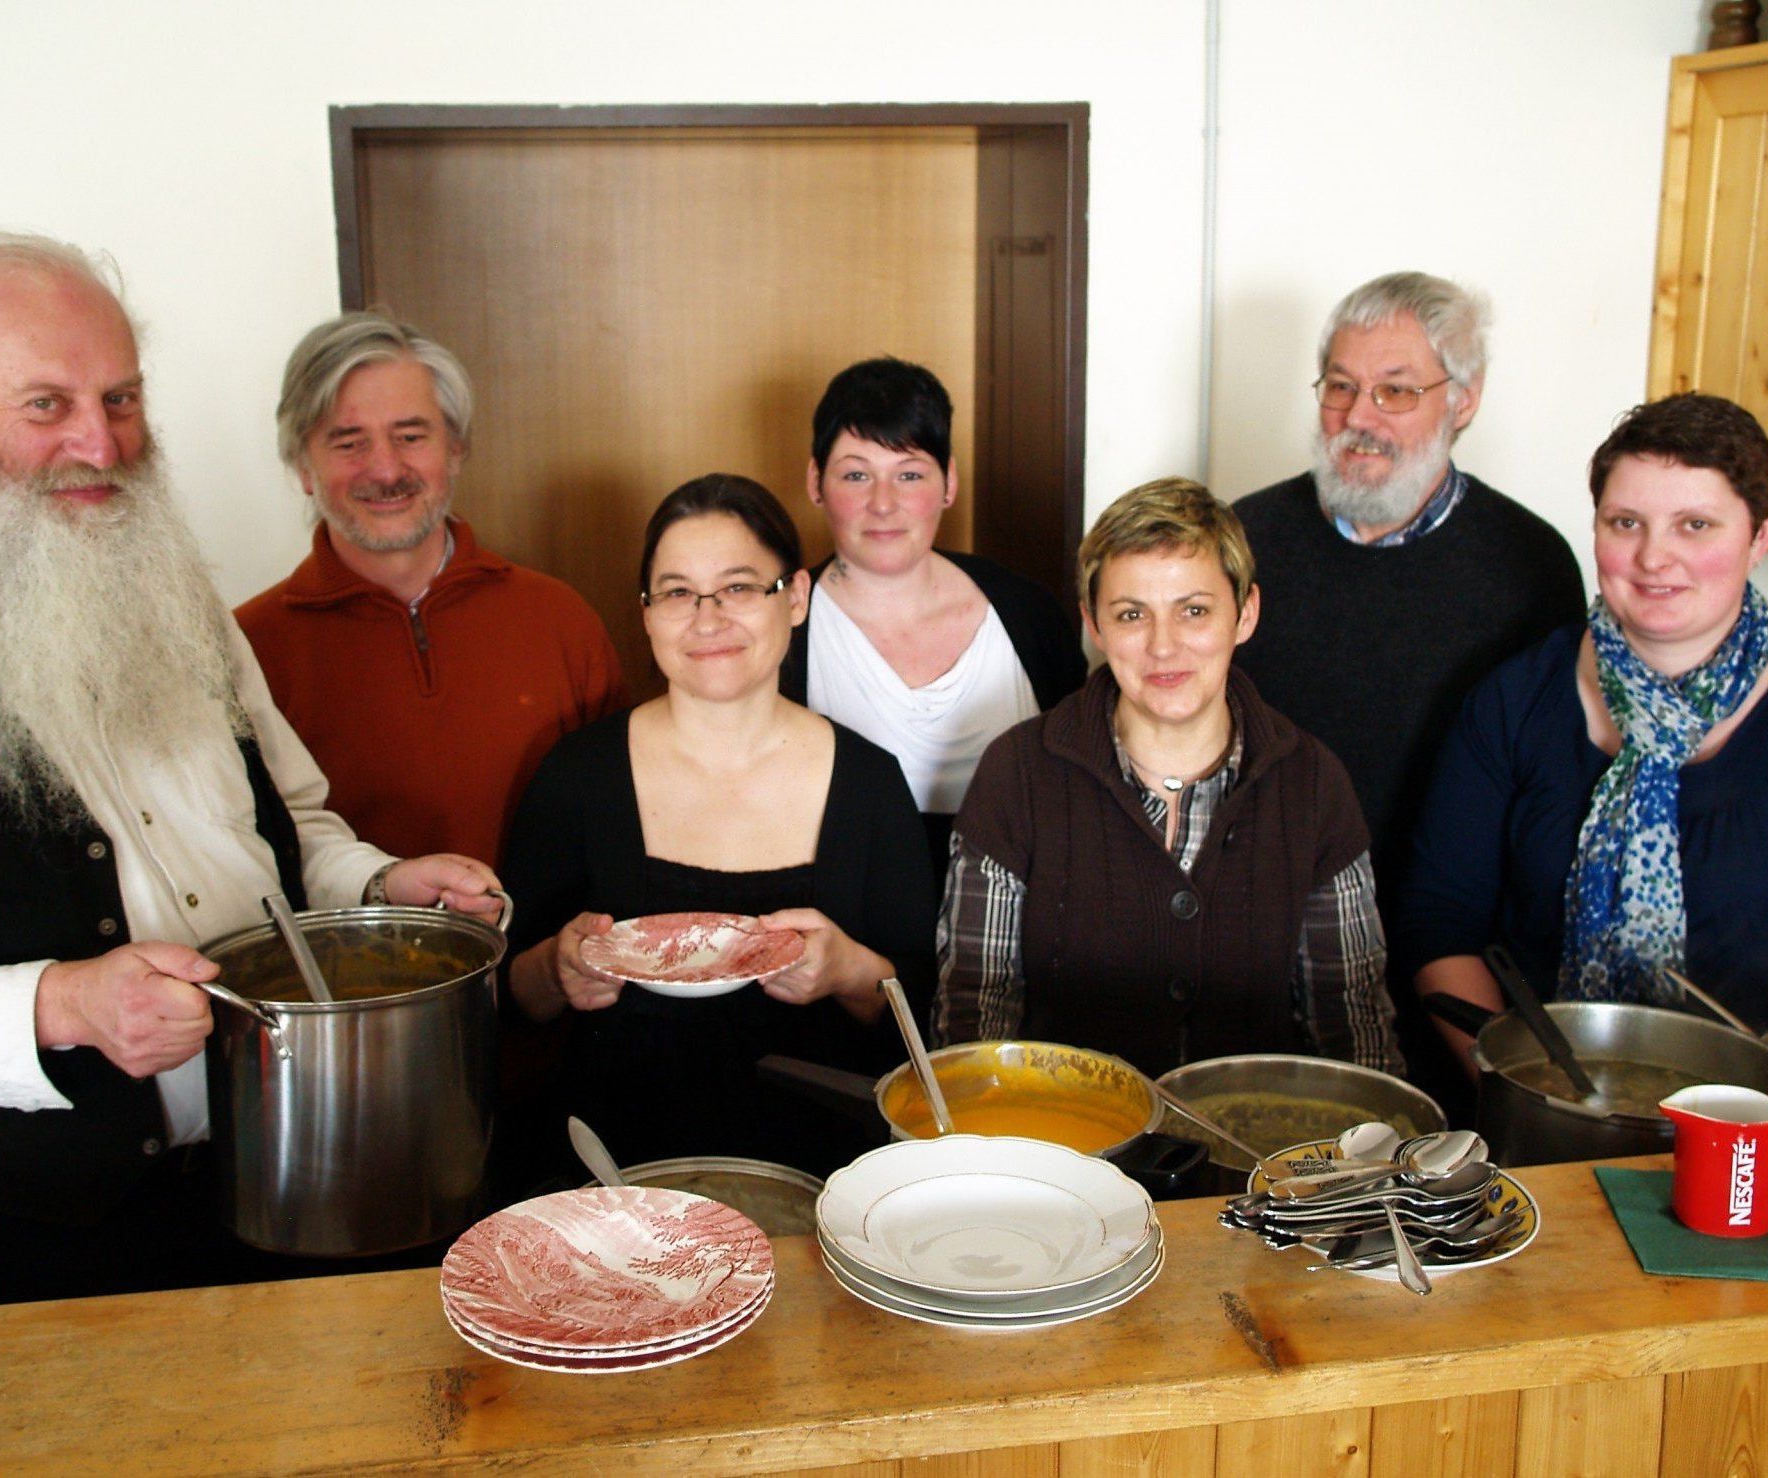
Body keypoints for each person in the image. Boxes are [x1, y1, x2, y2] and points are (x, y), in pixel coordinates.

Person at [0, 233, 502, 1311]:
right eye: (47, 405)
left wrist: (375, 885)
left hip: (277, 1191)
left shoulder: (176, 592)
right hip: (30, 1257)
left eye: (122, 397)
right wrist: (65, 1002)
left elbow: (286, 831)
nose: (101, 440)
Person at [504, 474, 936, 1175]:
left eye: (738, 588)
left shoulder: (868, 783)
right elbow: (512, 994)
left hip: (823, 1168)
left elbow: (925, 1013)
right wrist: (557, 967)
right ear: (646, 614)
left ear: (794, 598)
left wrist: (848, 969)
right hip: (615, 1172)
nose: (707, 620)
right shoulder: (578, 775)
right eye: (677, 593)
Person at [936, 478, 1401, 1079]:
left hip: (1257, 1153)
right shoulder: (1018, 773)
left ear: (1246, 613)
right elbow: (975, 1013)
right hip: (1064, 1150)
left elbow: (1350, 1020)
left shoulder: (1312, 784)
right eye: (1132, 615)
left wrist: (1373, 1161)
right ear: (1093, 626)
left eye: (1194, 611)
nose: (1164, 646)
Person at [1403, 393, 1768, 1051]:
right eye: (1626, 522)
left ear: (1762, 535)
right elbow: (1441, 927)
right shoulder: (1512, 701)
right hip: (1544, 1106)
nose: (1654, 558)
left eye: (1695, 525)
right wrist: (1530, 1088)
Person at [1234, 272, 1584, 897]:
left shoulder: (1532, 565)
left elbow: (1548, 789)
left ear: (1464, 401)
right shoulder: (1241, 538)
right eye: (1341, 386)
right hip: (1256, 907)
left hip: (1443, 928)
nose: (1358, 417)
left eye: (1395, 391)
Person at [236, 311, 626, 865]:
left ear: (456, 448)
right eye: (349, 443)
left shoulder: (562, 621)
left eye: (411, 436)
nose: (386, 469)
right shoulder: (243, 650)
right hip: (344, 952)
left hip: (550, 951)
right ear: (302, 466)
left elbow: (617, 830)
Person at [781, 358, 1086, 869]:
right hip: (843, 936)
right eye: (856, 474)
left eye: (910, 474)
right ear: (816, 482)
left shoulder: (1028, 614)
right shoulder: (780, 631)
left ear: (949, 483)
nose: (883, 503)